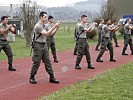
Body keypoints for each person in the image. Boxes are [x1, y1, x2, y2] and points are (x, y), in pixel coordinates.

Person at [30, 12, 60, 84]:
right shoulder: (38, 26)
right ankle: (32, 76)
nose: (47, 18)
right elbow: (46, 33)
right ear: (41, 17)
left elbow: (51, 34)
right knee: (37, 62)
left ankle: (51, 77)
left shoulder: (45, 26)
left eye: (47, 17)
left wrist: (56, 28)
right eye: (45, 17)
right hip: (38, 45)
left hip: (44, 45)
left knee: (48, 62)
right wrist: (54, 26)